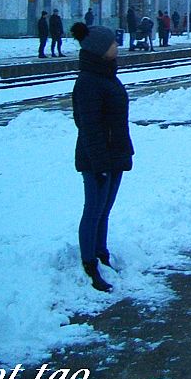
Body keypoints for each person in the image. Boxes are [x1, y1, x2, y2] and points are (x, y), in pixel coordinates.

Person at [68, 23, 132, 294]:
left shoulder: (105, 75)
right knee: (93, 210)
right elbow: (89, 127)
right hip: (98, 159)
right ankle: (89, 263)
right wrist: (100, 164)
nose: (117, 46)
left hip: (113, 154)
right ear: (99, 50)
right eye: (112, 44)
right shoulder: (88, 82)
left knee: (104, 210)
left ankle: (101, 254)